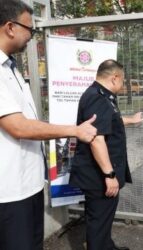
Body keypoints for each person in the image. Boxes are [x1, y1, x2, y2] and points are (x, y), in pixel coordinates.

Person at [0, 1, 97, 250]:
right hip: (9, 192)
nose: (31, 36)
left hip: (27, 185)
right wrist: (74, 130)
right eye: (29, 30)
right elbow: (18, 127)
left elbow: (27, 121)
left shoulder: (10, 68)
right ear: (10, 27)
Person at [69, 60, 143, 250]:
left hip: (100, 173)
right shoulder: (97, 97)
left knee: (102, 219)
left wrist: (130, 120)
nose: (123, 84)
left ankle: (106, 246)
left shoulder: (101, 96)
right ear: (115, 77)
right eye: (123, 80)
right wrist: (109, 175)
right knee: (99, 220)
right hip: (99, 176)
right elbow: (96, 139)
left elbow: (110, 121)